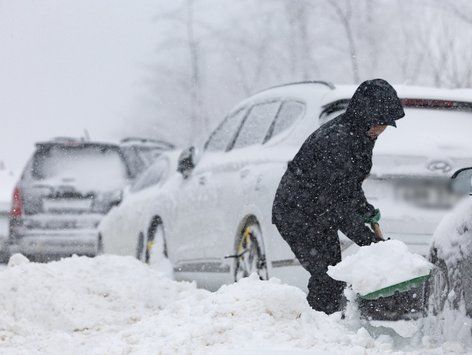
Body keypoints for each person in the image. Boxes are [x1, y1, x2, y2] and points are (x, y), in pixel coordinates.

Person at [271, 79, 405, 314]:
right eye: (379, 122)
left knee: (332, 272)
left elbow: (348, 184)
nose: (382, 129)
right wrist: (370, 243)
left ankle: (323, 323)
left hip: (317, 211)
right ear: (365, 115)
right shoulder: (337, 141)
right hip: (297, 212)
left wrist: (364, 209)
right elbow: (335, 204)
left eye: (386, 124)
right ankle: (319, 329)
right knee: (328, 274)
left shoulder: (361, 136)